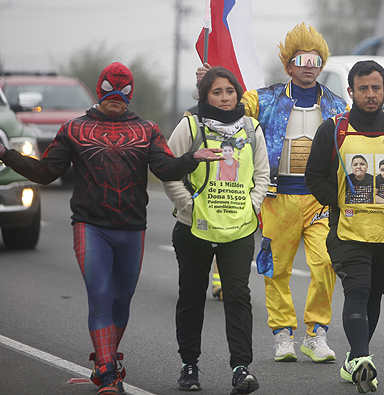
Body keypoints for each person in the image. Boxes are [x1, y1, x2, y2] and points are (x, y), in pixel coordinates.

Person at [0, 62, 223, 395]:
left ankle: (105, 359)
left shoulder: (147, 129)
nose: (116, 97)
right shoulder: (74, 129)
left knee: (121, 301)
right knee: (101, 295)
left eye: (124, 91)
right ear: (100, 89)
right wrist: (7, 155)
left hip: (132, 227)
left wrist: (192, 158)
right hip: (91, 227)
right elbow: (47, 172)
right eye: (110, 90)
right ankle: (107, 372)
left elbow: (164, 169)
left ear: (130, 95)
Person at [199, 23, 349, 363]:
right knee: (275, 268)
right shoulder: (263, 100)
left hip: (319, 200)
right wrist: (210, 82)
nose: (309, 66)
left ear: (321, 63)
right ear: (288, 64)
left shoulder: (339, 107)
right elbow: (228, 109)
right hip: (277, 198)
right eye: (301, 59)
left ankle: (316, 333)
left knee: (326, 263)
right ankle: (283, 334)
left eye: (315, 59)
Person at [305, 60, 384, 393]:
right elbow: (313, 176)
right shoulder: (334, 128)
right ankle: (361, 359)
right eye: (363, 89)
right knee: (356, 290)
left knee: (374, 295)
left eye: (376, 88)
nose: (370, 95)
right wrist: (340, 200)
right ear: (351, 92)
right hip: (347, 232)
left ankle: (353, 361)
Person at [162, 67, 269, 394]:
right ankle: (189, 366)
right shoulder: (190, 125)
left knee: (237, 295)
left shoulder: (250, 128)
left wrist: (251, 205)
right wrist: (189, 207)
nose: (224, 98)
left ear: (238, 94)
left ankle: (241, 369)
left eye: (230, 92)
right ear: (204, 95)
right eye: (217, 92)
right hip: (194, 229)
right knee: (192, 295)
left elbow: (262, 174)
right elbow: (168, 170)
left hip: (238, 229)